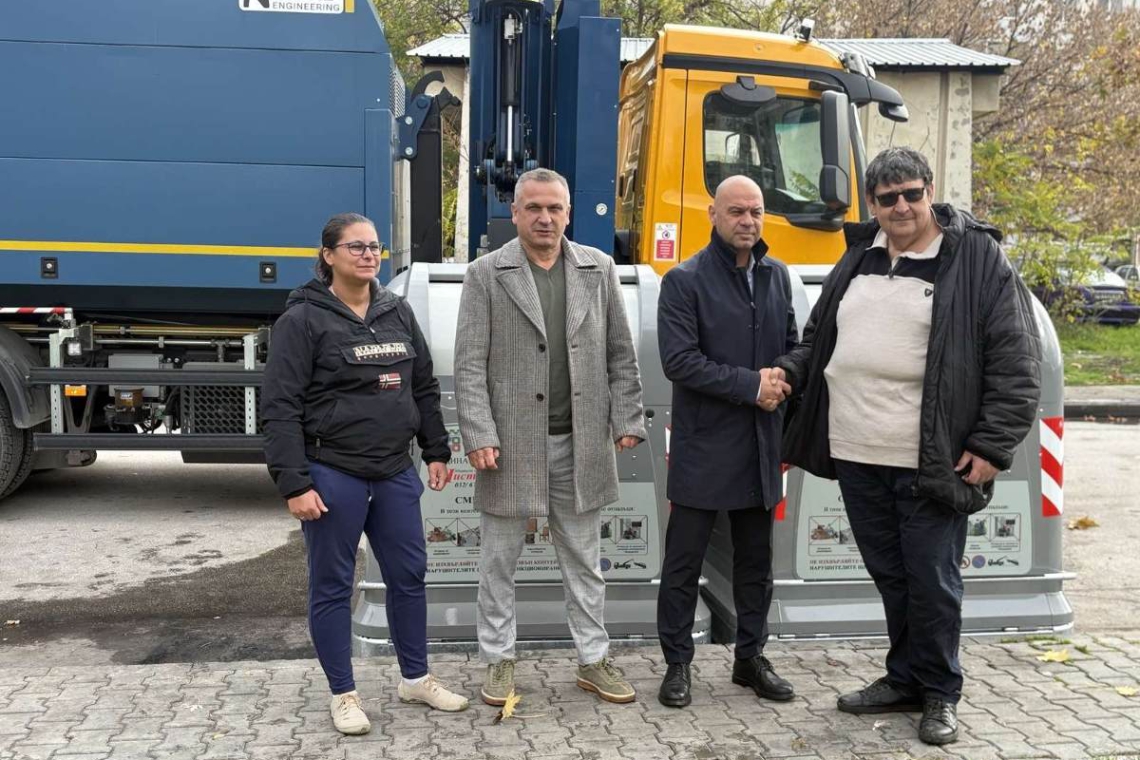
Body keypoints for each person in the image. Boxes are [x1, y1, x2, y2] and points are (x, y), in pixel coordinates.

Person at [773, 147, 1041, 746]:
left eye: (912, 194)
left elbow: (1015, 360)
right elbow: (819, 340)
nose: (901, 207)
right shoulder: (859, 255)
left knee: (932, 581)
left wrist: (992, 444)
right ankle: (905, 679)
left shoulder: (974, 257)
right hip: (856, 450)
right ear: (872, 203)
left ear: (930, 192)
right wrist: (789, 371)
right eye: (888, 198)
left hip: (931, 457)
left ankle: (941, 692)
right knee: (892, 576)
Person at [261, 213, 469, 736]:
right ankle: (344, 693)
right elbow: (280, 407)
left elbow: (423, 385)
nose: (368, 255)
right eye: (355, 247)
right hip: (333, 471)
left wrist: (437, 449)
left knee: (409, 577)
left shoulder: (396, 310)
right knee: (333, 585)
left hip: (395, 470)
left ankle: (415, 679)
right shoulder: (302, 320)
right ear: (328, 255)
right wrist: (294, 482)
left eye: (374, 246)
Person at [454, 168, 648, 706]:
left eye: (554, 208)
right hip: (510, 447)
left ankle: (593, 659)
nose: (545, 218)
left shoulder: (598, 268)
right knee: (498, 564)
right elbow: (468, 364)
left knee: (584, 561)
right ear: (515, 212)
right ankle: (498, 661)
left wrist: (627, 418)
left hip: (580, 444)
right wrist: (479, 432)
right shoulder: (486, 274)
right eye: (534, 208)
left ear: (568, 214)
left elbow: (620, 352)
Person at [654, 175, 798, 709]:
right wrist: (752, 386)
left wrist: (783, 376)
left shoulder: (777, 277)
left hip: (761, 444)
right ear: (712, 214)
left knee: (756, 564)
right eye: (737, 211)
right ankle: (677, 664)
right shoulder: (684, 281)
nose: (748, 221)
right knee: (683, 563)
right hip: (705, 447)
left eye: (756, 211)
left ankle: (750, 658)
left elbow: (793, 344)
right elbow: (680, 361)